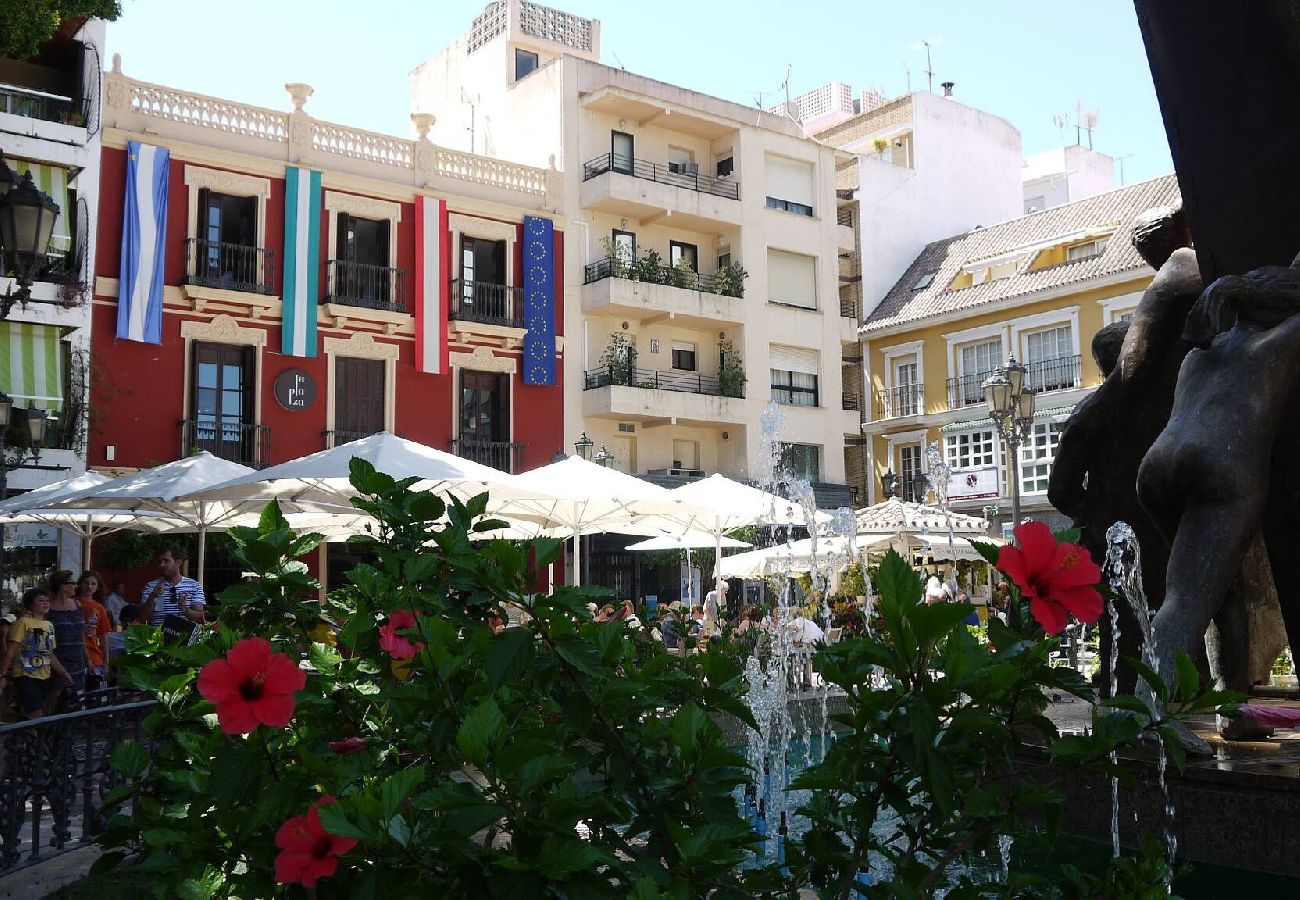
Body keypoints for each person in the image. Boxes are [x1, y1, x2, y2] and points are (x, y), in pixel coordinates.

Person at [0, 588, 74, 719]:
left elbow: (49, 654)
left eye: (47, 600)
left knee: (39, 712)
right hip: (26, 675)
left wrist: (63, 672)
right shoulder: (23, 622)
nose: (45, 603)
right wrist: (3, 674)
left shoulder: (49, 625)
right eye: (40, 600)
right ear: (30, 604)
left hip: (44, 676)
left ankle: (28, 737)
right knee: (36, 714)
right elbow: (11, 649)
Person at [47, 570, 87, 709]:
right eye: (73, 583)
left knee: (78, 703)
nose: (76, 586)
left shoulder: (77, 605)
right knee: (56, 703)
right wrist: (60, 670)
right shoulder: (48, 610)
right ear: (63, 586)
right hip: (58, 664)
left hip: (78, 663)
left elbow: (81, 636)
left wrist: (88, 661)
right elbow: (46, 644)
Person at [140, 546, 206, 628]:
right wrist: (152, 596)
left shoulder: (194, 586)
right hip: (158, 639)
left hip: (184, 639)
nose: (162, 565)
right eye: (160, 561)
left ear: (178, 562)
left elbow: (201, 618)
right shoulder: (151, 587)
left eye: (166, 561)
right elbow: (143, 620)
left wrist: (184, 609)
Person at [77, 571, 112, 689]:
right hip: (77, 657)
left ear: (97, 587)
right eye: (86, 583)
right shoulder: (73, 604)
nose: (89, 586)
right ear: (80, 584)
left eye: (93, 584)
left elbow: (103, 635)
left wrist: (106, 662)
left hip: (95, 656)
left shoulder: (99, 608)